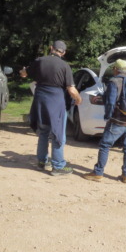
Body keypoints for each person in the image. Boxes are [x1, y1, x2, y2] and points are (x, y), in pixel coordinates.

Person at [20, 40, 82, 176]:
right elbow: (71, 89)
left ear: (51, 48)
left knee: (43, 131)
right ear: (63, 53)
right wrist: (78, 99)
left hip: (40, 100)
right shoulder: (65, 66)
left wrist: (23, 71)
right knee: (58, 133)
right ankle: (58, 166)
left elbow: (24, 74)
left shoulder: (39, 61)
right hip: (56, 101)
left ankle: (42, 162)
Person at [84, 59, 126, 184]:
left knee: (105, 145)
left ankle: (98, 173)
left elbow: (111, 102)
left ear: (116, 69)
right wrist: (102, 97)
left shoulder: (114, 81)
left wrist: (108, 116)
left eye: (113, 68)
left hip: (117, 120)